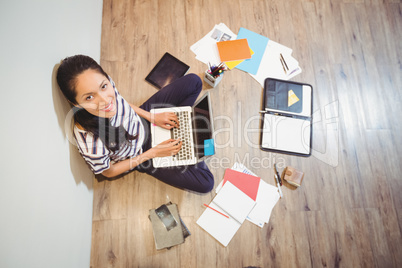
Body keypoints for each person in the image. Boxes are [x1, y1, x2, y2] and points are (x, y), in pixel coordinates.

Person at [56, 55, 214, 193]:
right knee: (206, 182)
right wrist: (152, 153)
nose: (105, 101)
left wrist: (152, 117)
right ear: (75, 103)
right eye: (89, 97)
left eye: (104, 87)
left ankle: (182, 132)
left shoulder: (105, 84)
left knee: (194, 81)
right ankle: (182, 144)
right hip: (141, 153)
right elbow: (108, 172)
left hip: (142, 120)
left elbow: (119, 102)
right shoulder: (89, 140)